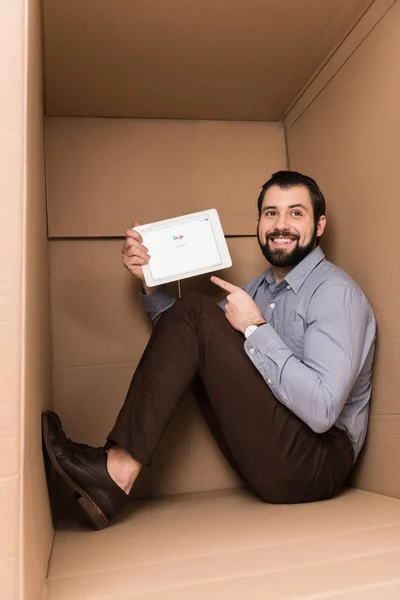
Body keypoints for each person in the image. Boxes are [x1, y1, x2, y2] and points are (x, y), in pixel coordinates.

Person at [42, 170, 376, 530]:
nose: (281, 225)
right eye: (270, 213)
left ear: (320, 224)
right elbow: (186, 343)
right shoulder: (258, 290)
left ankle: (116, 473)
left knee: (197, 310)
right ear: (259, 223)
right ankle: (113, 472)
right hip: (268, 453)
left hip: (316, 464)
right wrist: (150, 280)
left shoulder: (335, 293)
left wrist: (254, 328)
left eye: (296, 213)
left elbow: (323, 410)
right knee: (194, 314)